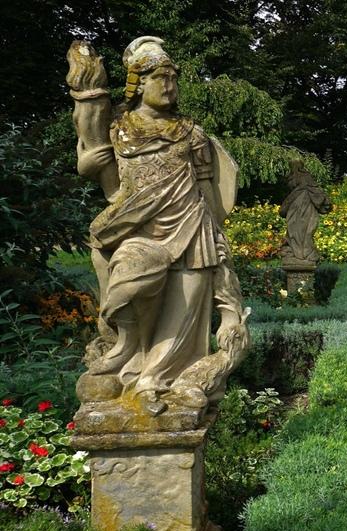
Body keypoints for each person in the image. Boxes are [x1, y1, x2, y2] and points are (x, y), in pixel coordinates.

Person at [66, 36, 249, 417]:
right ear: (138, 84)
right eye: (157, 78)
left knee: (181, 323)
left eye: (172, 78)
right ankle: (126, 353)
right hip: (138, 231)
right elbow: (111, 188)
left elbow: (208, 192)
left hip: (191, 227)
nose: (167, 86)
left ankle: (154, 382)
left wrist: (217, 242)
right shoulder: (119, 130)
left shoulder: (191, 133)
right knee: (126, 287)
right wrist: (88, 162)